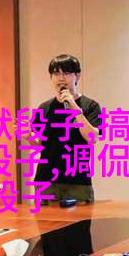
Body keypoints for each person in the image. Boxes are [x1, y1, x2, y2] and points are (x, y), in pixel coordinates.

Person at [24, 54, 102, 203]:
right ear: (51, 77)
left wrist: (75, 108)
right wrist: (28, 136)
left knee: (80, 219)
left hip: (78, 181)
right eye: (56, 73)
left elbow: (92, 138)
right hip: (46, 181)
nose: (61, 78)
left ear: (77, 76)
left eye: (66, 73)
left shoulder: (91, 106)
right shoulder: (44, 107)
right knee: (45, 219)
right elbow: (41, 146)